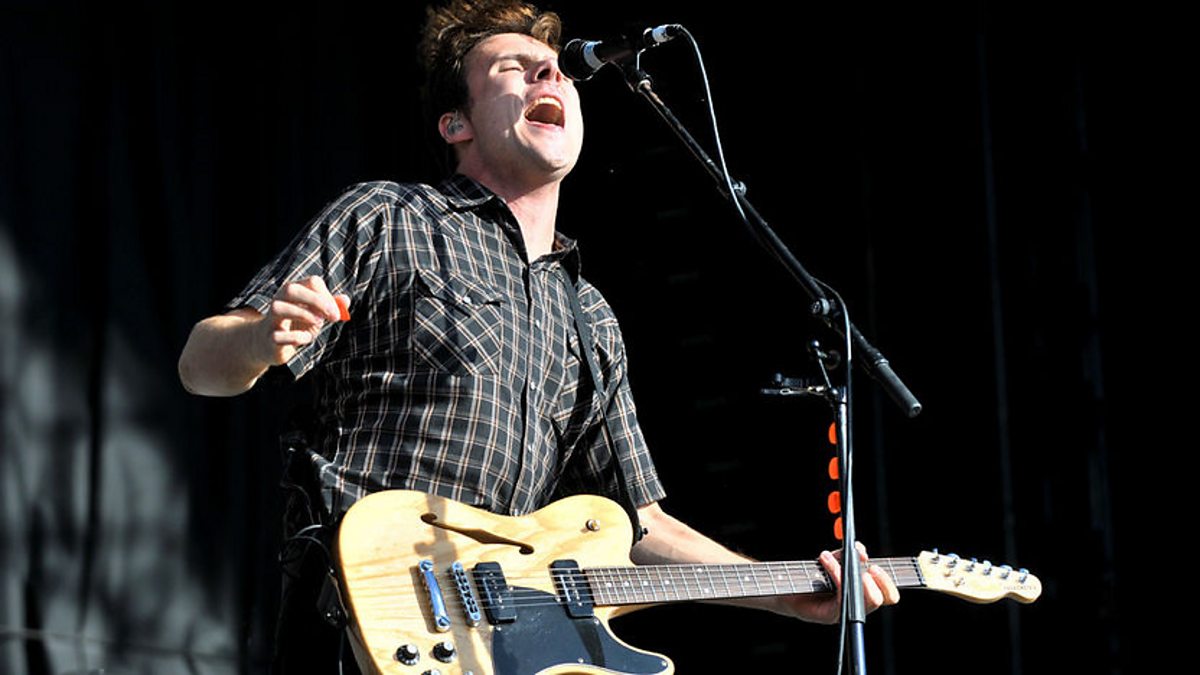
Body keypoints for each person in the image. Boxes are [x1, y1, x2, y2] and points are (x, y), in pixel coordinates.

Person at [178, 1, 899, 671]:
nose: (550, 74)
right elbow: (200, 364)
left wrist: (783, 591)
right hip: (361, 613)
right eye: (513, 69)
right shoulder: (389, 218)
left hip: (491, 647)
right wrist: (262, 338)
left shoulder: (589, 314)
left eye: (555, 69)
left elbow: (639, 525)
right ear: (456, 124)